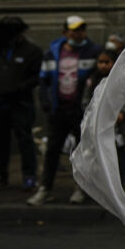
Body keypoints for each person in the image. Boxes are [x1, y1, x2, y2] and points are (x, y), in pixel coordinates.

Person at [29, 15, 101, 206]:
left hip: (81, 112)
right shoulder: (53, 53)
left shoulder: (93, 51)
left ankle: (81, 189)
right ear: (65, 32)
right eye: (75, 30)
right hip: (58, 110)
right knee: (52, 150)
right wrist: (46, 102)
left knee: (82, 152)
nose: (79, 34)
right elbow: (43, 80)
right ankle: (45, 189)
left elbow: (100, 76)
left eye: (82, 30)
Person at [0, 17, 43, 193]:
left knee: (25, 139)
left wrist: (19, 88)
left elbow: (37, 76)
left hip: (21, 103)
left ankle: (29, 175)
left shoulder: (32, 51)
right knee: (0, 141)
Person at [82, 48, 125, 187]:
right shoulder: (92, 79)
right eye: (100, 62)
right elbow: (86, 100)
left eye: (107, 62)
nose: (103, 65)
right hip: (98, 124)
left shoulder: (121, 79)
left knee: (118, 156)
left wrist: (122, 113)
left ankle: (120, 185)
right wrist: (91, 114)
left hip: (117, 126)